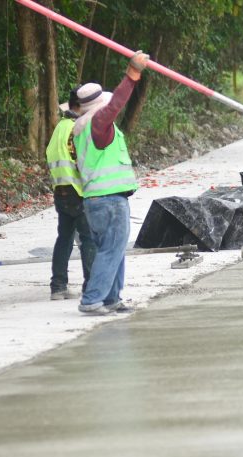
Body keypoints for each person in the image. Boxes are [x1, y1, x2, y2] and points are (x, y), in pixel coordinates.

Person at [71, 51, 148, 315]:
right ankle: (92, 299)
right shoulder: (98, 123)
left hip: (96, 200)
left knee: (112, 249)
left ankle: (112, 298)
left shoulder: (80, 127)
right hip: (109, 199)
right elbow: (115, 105)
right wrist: (132, 74)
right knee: (111, 250)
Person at [46, 89, 96, 300]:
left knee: (64, 238)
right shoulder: (78, 128)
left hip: (61, 190)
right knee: (88, 239)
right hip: (79, 191)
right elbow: (83, 160)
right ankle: (92, 287)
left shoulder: (60, 127)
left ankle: (58, 287)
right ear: (80, 106)